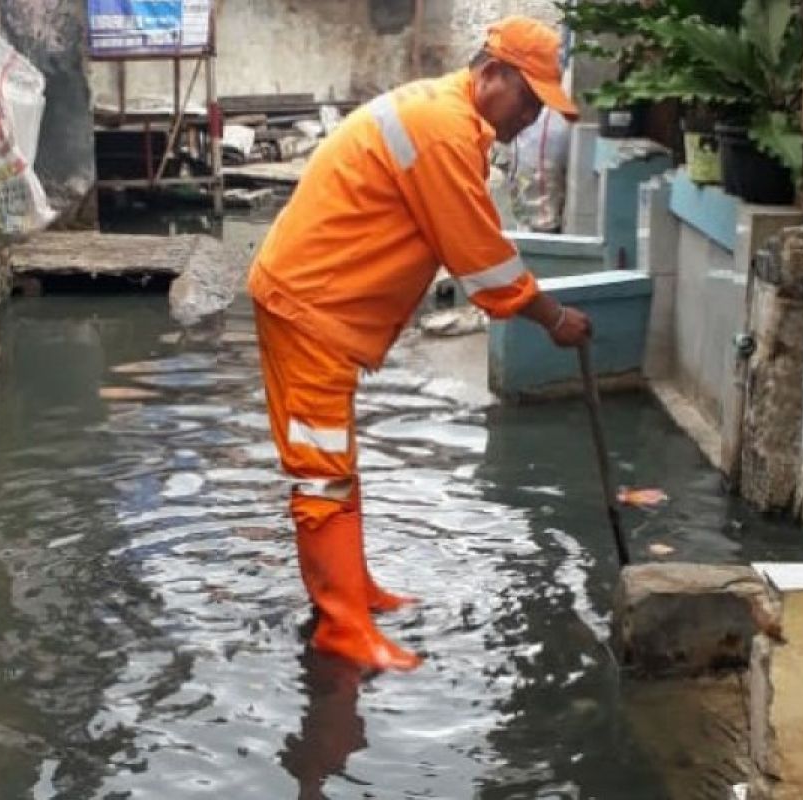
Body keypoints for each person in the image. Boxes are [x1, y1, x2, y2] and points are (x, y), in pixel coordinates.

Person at [249, 16, 592, 672]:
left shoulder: (442, 115)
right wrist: (553, 318)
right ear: (492, 74)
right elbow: (482, 263)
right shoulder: (441, 131)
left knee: (334, 460)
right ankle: (341, 628)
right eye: (529, 100)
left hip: (316, 301)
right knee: (322, 473)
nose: (530, 118)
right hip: (310, 305)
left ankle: (356, 591)